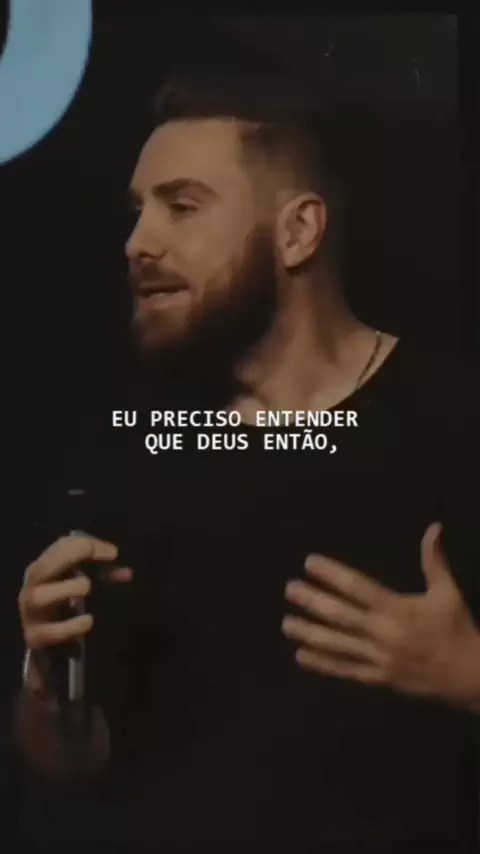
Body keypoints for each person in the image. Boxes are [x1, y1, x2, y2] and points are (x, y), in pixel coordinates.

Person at [14, 70, 480, 852]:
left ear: (298, 232)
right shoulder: (130, 449)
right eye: (137, 211)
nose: (138, 242)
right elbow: (69, 763)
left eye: (182, 206)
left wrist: (467, 672)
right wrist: (45, 682)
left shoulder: (455, 422)